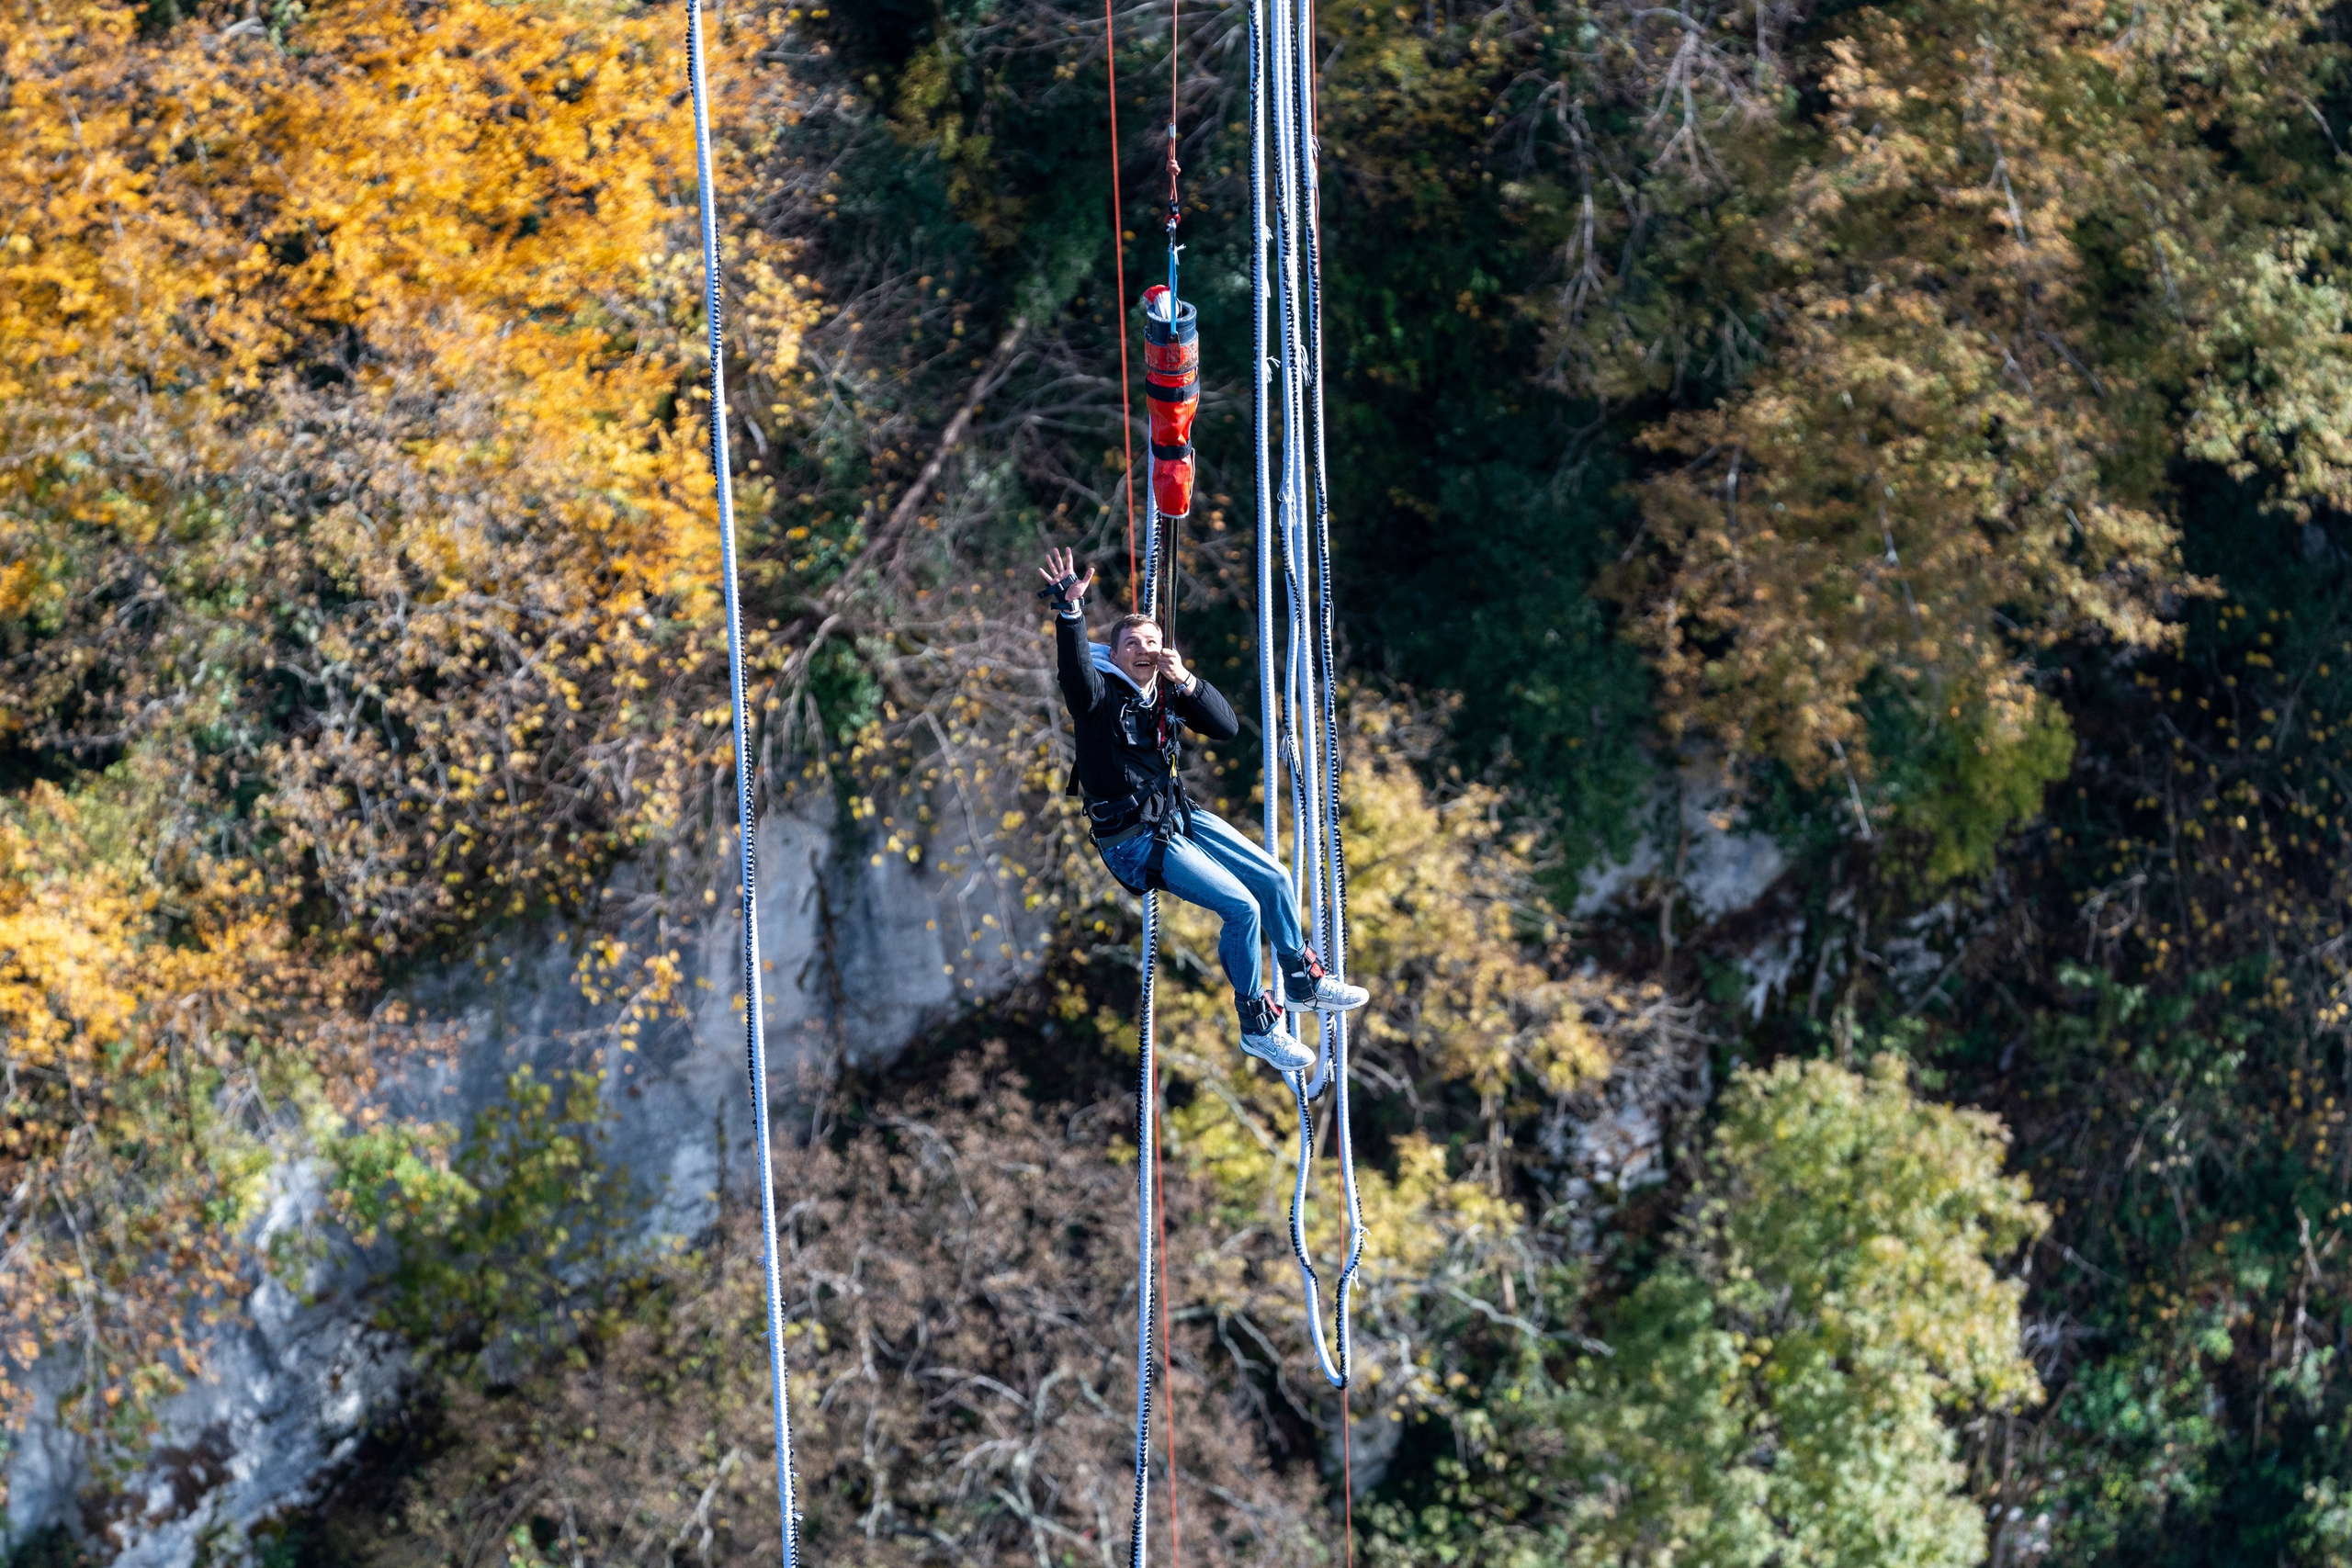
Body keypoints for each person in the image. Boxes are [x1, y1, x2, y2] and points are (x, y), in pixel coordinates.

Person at [1036, 546, 1368, 1073]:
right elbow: (1075, 670)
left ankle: (1303, 980)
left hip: (1175, 816)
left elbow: (1226, 727)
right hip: (1134, 840)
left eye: (1152, 642)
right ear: (1115, 655)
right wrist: (1070, 612)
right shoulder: (1098, 698)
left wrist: (1185, 679)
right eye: (1133, 644)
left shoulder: (1165, 693)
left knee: (1275, 878)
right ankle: (1258, 1027)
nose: (1145, 649)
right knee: (1242, 908)